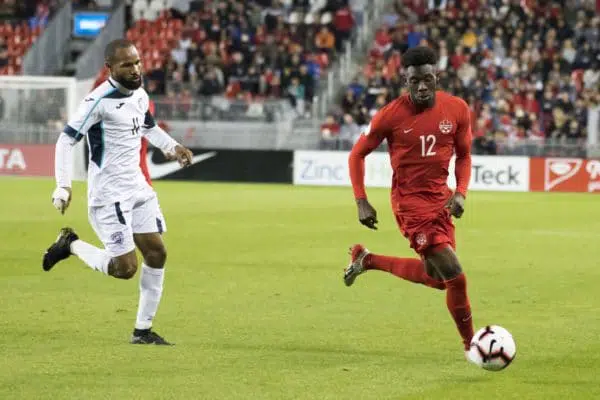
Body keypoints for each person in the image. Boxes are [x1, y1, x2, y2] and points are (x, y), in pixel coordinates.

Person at [42, 39, 193, 345]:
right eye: (127, 64)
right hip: (109, 194)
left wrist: (172, 146)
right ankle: (70, 245)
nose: (135, 69)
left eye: (137, 62)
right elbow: (65, 140)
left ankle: (142, 331)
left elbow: (148, 126)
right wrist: (63, 184)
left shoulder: (139, 94)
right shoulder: (97, 102)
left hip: (138, 187)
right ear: (110, 68)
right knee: (124, 269)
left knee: (157, 252)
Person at [344, 46, 476, 361]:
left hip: (441, 202)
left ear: (437, 77)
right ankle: (475, 346)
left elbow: (465, 155)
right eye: (414, 80)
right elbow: (356, 154)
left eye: (427, 79)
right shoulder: (390, 115)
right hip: (410, 205)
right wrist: (361, 200)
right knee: (455, 275)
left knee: (438, 279)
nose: (421, 87)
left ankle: (367, 260)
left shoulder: (456, 109)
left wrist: (461, 192)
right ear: (405, 79)